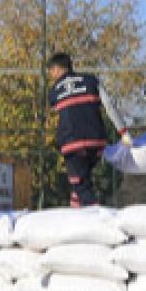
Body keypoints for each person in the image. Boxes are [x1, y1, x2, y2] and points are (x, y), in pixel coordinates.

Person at [47, 53, 130, 207]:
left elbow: (60, 113)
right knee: (79, 185)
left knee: (81, 185)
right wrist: (123, 131)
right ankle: (76, 219)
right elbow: (109, 106)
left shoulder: (54, 91)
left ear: (57, 69)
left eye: (51, 71)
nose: (51, 75)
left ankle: (98, 218)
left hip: (71, 143)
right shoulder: (92, 81)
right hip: (96, 142)